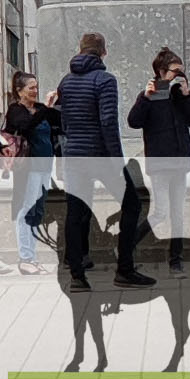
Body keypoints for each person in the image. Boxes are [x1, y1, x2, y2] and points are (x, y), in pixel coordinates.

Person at [56, 32, 152, 291]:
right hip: (100, 154)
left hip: (75, 156)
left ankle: (77, 276)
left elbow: (64, 122)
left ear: (80, 50)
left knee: (75, 214)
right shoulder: (105, 80)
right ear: (103, 52)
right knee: (131, 206)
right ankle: (125, 270)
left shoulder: (66, 81)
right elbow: (108, 121)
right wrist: (116, 161)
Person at [125, 47, 190, 275]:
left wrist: (188, 96)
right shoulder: (149, 95)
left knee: (178, 213)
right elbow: (134, 122)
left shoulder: (180, 95)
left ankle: (175, 260)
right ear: (161, 71)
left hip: (179, 160)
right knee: (160, 212)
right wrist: (145, 98)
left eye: (181, 71)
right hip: (160, 163)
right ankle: (126, 247)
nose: (178, 75)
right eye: (174, 71)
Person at [6, 71, 58, 274]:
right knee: (26, 211)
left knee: (36, 211)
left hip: (44, 167)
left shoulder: (39, 109)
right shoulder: (15, 110)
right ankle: (26, 259)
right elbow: (26, 127)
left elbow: (55, 125)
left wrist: (49, 107)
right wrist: (45, 109)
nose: (35, 91)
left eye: (36, 86)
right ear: (19, 91)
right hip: (27, 168)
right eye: (31, 88)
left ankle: (31, 257)